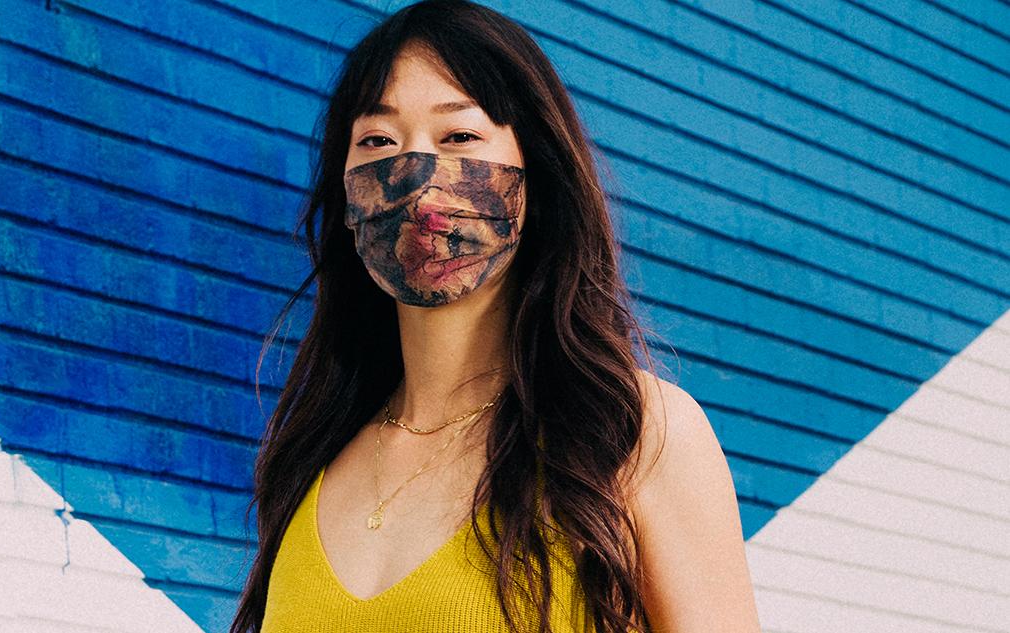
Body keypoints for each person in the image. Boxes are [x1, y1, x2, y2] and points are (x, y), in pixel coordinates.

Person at [229, 1, 762, 631]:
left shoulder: (632, 432)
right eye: (377, 140)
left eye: (459, 136)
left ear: (537, 173)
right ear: (346, 192)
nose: (417, 179)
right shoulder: (310, 461)